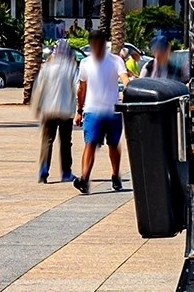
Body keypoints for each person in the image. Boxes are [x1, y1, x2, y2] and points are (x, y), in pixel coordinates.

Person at [72, 27, 126, 195]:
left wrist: (130, 89)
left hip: (112, 111)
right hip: (92, 111)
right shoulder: (85, 63)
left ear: (104, 44)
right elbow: (82, 89)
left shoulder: (116, 61)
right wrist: (79, 110)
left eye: (99, 44)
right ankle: (84, 179)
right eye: (93, 45)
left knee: (113, 145)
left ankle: (115, 175)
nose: (96, 48)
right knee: (90, 144)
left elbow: (124, 78)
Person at [31, 38, 81, 184]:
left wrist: (37, 106)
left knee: (47, 141)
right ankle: (66, 172)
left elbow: (39, 88)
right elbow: (77, 88)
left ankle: (43, 171)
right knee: (65, 142)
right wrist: (79, 107)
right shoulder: (71, 68)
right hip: (66, 111)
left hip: (48, 110)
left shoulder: (47, 68)